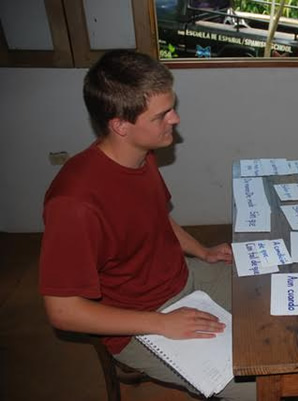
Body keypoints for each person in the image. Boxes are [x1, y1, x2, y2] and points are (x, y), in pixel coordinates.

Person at [39, 49, 254, 400]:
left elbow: (155, 217)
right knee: (262, 384)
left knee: (272, 297)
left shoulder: (141, 155)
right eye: (162, 115)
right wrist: (163, 324)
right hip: (139, 319)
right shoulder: (73, 204)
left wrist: (202, 250)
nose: (176, 119)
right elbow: (63, 311)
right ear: (121, 125)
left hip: (183, 277)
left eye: (172, 107)